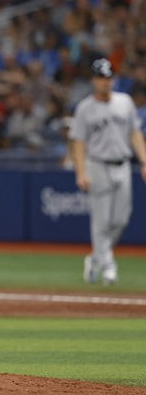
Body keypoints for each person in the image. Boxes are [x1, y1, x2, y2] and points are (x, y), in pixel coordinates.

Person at [70, 58, 146, 285]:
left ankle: (96, 257)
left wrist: (144, 160)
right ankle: (108, 266)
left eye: (109, 77)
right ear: (94, 80)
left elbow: (135, 133)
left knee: (121, 219)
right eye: (102, 78)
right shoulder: (85, 107)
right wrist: (81, 171)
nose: (106, 82)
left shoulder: (125, 102)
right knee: (101, 222)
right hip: (97, 164)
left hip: (122, 164)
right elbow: (79, 142)